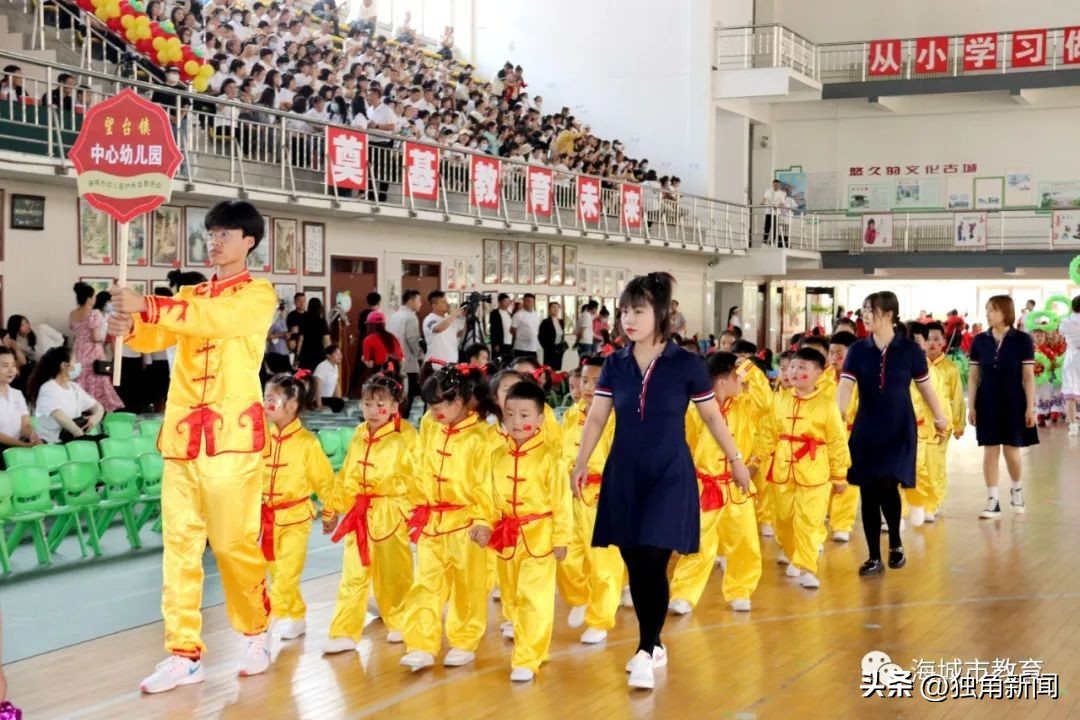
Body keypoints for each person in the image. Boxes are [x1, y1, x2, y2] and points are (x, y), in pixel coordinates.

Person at [108, 200, 278, 693]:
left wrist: (150, 305)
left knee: (232, 543)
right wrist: (131, 327)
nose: (215, 239)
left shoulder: (257, 295)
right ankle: (183, 652)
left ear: (248, 241)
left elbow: (215, 320)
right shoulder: (191, 294)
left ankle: (254, 630)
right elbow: (156, 334)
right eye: (211, 232)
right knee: (179, 546)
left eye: (225, 232)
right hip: (183, 436)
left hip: (230, 439)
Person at [569, 272, 750, 691]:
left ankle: (646, 648)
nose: (628, 319)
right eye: (624, 311)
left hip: (670, 473)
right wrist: (581, 461)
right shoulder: (614, 363)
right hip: (625, 473)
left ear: (661, 314)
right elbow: (597, 416)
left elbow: (710, 416)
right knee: (636, 563)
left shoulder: (686, 365)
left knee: (654, 559)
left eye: (638, 310)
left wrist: (736, 460)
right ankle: (654, 641)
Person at [836, 292, 948, 578]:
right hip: (867, 427)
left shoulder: (910, 350)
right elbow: (846, 387)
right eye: (863, 310)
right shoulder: (858, 350)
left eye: (869, 310)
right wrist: (838, 415)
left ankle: (896, 542)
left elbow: (925, 388)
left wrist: (939, 417)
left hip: (900, 427)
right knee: (868, 491)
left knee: (888, 484)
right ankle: (874, 556)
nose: (864, 315)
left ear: (888, 314)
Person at [473, 380, 571, 683]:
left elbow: (561, 501)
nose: (517, 422)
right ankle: (532, 645)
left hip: (539, 537)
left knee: (534, 598)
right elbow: (485, 495)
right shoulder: (496, 456)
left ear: (540, 419)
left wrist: (561, 537)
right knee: (513, 599)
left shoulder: (550, 459)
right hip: (507, 538)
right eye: (511, 414)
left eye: (525, 415)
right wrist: (482, 523)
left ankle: (527, 657)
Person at [399, 365, 496, 671]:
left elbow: (487, 483)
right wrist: (414, 503)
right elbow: (419, 464)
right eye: (430, 404)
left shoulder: (483, 437)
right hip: (432, 521)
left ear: (459, 402)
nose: (432, 410)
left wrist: (483, 519)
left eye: (438, 404)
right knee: (425, 583)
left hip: (466, 523)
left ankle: (464, 640)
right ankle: (421, 644)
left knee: (468, 586)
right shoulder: (431, 426)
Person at [323, 368, 419, 652]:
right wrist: (332, 509)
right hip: (360, 514)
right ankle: (343, 631)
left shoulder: (406, 435)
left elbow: (415, 477)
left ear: (393, 406)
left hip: (391, 511)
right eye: (367, 403)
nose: (373, 410)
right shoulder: (358, 433)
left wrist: (409, 512)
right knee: (353, 573)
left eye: (380, 404)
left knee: (395, 572)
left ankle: (401, 620)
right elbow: (347, 476)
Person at [670, 351, 761, 613]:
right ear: (722, 380)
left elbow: (766, 401)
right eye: (737, 376)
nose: (742, 382)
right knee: (697, 541)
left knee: (744, 540)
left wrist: (747, 366)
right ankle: (684, 594)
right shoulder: (694, 410)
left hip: (737, 485)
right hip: (705, 486)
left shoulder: (745, 405)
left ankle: (740, 589)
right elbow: (686, 446)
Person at [756, 348, 850, 590]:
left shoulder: (828, 405)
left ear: (819, 373)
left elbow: (838, 443)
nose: (794, 372)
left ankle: (807, 567)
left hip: (815, 473)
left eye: (803, 368)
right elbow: (767, 433)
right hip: (782, 469)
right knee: (783, 520)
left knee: (809, 521)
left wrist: (839, 475)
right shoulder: (780, 399)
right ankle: (793, 553)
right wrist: (756, 460)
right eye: (792, 367)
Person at [259, 371, 338, 642]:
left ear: (292, 406)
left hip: (296, 517)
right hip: (267, 519)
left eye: (273, 399)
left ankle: (262, 627)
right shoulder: (262, 438)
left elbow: (325, 482)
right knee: (277, 572)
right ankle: (297, 616)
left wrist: (330, 511)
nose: (266, 404)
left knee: (287, 574)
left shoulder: (307, 443)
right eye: (265, 397)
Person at [555, 357, 620, 644]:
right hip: (571, 497)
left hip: (603, 497)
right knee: (567, 556)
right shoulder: (572, 414)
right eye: (585, 381)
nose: (590, 387)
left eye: (597, 381)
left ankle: (600, 619)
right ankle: (579, 597)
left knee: (604, 563)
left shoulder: (617, 418)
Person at [968, 295, 1038, 519]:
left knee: (1011, 451)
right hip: (986, 401)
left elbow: (1028, 376)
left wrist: (1030, 407)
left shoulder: (1022, 340)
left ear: (1005, 312)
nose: (988, 314)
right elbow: (973, 376)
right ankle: (993, 499)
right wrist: (972, 406)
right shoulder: (979, 340)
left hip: (1014, 402)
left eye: (993, 310)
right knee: (989, 451)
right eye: (987, 309)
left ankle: (1017, 490)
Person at [924, 321, 966, 518]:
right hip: (920, 423)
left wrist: (959, 423)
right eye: (928, 339)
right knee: (920, 463)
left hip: (942, 423)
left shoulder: (950, 368)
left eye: (936, 339)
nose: (932, 343)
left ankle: (934, 501)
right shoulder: (918, 367)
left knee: (937, 462)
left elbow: (957, 397)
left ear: (944, 342)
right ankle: (920, 500)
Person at [28, 346, 105, 444]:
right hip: (54, 442)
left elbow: (98, 407)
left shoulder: (74, 387)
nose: (78, 365)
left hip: (73, 439)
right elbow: (60, 417)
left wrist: (95, 418)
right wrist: (80, 435)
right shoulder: (48, 388)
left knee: (104, 440)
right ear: (64, 365)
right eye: (75, 361)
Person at [825, 331, 859, 542]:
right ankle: (824, 516)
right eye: (831, 353)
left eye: (840, 354)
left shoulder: (860, 379)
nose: (834, 358)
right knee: (823, 478)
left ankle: (842, 524)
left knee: (848, 481)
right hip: (826, 437)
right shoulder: (821, 379)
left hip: (851, 434)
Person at [69, 285, 124, 411]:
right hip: (93, 352)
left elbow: (75, 331)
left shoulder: (73, 313)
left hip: (78, 350)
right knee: (98, 379)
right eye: (93, 296)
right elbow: (95, 337)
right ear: (88, 298)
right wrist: (104, 339)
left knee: (81, 379)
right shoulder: (94, 313)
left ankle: (82, 408)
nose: (95, 298)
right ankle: (99, 409)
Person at [0, 347, 40, 462]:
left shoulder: (16, 394)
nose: (11, 370)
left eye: (13, 365)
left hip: (18, 446)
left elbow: (25, 424)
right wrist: (22, 445)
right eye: (5, 366)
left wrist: (33, 436)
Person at [388, 290, 423, 418]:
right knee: (410, 390)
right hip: (407, 359)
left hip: (394, 358)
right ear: (411, 301)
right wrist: (420, 355)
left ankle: (395, 415)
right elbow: (413, 339)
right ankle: (403, 417)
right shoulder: (410, 317)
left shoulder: (394, 315)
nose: (420, 304)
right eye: (419, 300)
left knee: (396, 389)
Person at [421, 291, 465, 380]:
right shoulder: (430, 319)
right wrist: (454, 314)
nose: (447, 304)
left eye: (446, 301)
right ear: (434, 305)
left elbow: (460, 333)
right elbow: (438, 328)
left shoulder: (449, 320)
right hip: (435, 366)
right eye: (443, 302)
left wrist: (465, 316)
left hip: (451, 365)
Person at [1060, 295, 1080, 436]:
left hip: (1072, 357)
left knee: (1070, 393)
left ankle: (1073, 426)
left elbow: (1061, 333)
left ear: (1072, 307)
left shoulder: (1065, 321)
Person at [296, 297, 331, 372]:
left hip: (305, 354)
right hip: (319, 354)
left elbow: (300, 339)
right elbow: (326, 340)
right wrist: (330, 353)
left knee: (305, 379)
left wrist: (297, 356)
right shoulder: (322, 321)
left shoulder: (304, 320)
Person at [313, 345, 345, 413]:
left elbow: (336, 385)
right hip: (319, 399)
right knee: (339, 403)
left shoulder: (335, 366)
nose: (340, 356)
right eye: (336, 353)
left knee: (340, 402)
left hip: (327, 398)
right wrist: (319, 405)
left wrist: (339, 398)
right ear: (328, 355)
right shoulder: (322, 367)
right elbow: (317, 387)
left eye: (340, 353)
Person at [511, 293, 541, 360]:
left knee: (533, 367)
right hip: (521, 347)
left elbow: (537, 330)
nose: (529, 303)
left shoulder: (536, 314)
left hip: (533, 347)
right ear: (523, 301)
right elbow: (512, 329)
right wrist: (521, 337)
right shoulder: (518, 315)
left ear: (533, 302)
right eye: (527, 301)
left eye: (530, 301)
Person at [538, 301, 566, 372]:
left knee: (557, 368)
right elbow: (540, 336)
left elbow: (562, 335)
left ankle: (555, 381)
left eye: (557, 307)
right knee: (548, 369)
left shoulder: (561, 321)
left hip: (559, 349)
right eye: (553, 307)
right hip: (549, 349)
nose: (556, 309)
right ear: (549, 309)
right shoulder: (545, 322)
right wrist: (546, 347)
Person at [489, 293, 513, 365]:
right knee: (498, 363)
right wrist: (496, 343)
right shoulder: (494, 313)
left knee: (508, 362)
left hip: (509, 342)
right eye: (505, 301)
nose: (507, 303)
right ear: (499, 302)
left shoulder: (509, 313)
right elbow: (493, 329)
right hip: (500, 343)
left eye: (508, 301)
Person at [761, 178, 787, 246]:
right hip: (768, 212)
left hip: (776, 213)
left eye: (778, 185)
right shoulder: (768, 191)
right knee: (767, 227)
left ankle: (772, 242)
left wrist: (783, 212)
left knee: (775, 227)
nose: (776, 186)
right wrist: (762, 202)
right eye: (775, 185)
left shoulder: (782, 193)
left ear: (779, 185)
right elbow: (764, 198)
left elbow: (782, 203)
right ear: (773, 184)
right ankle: (764, 242)